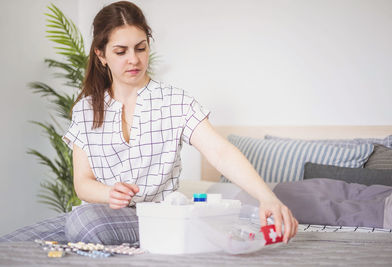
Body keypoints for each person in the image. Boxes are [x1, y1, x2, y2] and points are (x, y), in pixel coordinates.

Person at [1, 1, 297, 245]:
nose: (133, 59)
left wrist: (267, 198)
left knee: (83, 222)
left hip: (158, 219)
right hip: (100, 217)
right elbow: (83, 184)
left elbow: (221, 152)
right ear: (101, 55)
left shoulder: (175, 101)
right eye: (121, 51)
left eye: (140, 48)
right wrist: (109, 193)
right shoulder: (85, 110)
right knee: (12, 244)